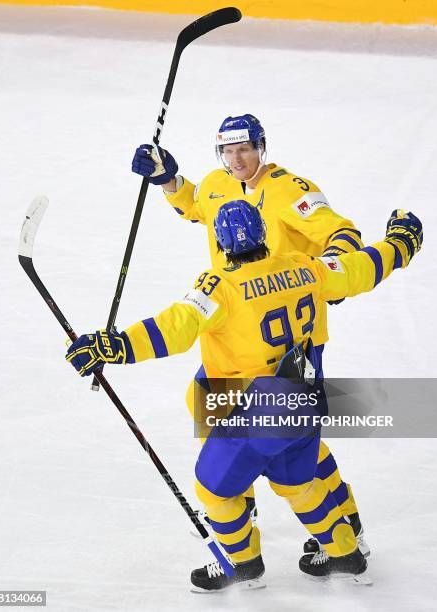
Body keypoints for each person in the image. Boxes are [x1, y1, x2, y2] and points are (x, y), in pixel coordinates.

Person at [65, 201, 422, 591]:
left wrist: (116, 346)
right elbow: (360, 269)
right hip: (303, 400)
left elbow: (175, 328)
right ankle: (345, 552)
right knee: (298, 484)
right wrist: (400, 243)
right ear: (264, 234)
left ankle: (242, 563)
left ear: (220, 242)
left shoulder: (220, 286)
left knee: (213, 490)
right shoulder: (304, 267)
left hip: (256, 411)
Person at [131, 114, 368, 556]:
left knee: (288, 429)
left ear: (262, 147)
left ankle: (343, 514)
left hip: (286, 340)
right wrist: (169, 180)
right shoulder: (218, 184)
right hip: (235, 327)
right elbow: (196, 206)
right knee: (211, 405)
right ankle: (241, 504)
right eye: (228, 151)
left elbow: (343, 234)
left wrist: (327, 278)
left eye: (244, 149)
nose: (236, 159)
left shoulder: (292, 191)